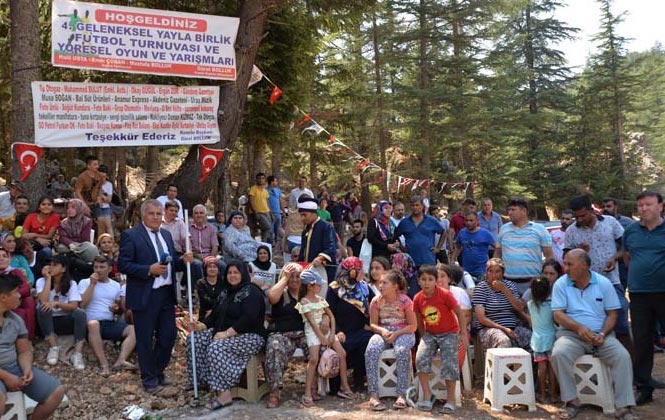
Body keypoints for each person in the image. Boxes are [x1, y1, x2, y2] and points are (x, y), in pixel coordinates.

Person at [550, 249, 636, 420]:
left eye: (569, 264)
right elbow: (557, 314)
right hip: (571, 335)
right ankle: (571, 401)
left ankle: (623, 407)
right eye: (565, 263)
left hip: (601, 335)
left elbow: (613, 314)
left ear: (584, 265)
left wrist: (603, 333)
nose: (565, 268)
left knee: (622, 356)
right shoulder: (561, 283)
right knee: (559, 353)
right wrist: (578, 328)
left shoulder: (603, 283)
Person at [118, 199, 193, 393]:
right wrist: (148, 270)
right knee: (144, 338)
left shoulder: (167, 235)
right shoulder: (131, 235)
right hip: (145, 294)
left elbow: (172, 263)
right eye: (152, 214)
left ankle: (158, 370)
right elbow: (123, 264)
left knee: (168, 336)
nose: (156, 217)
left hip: (166, 294)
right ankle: (149, 378)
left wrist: (183, 261)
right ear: (143, 215)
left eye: (159, 214)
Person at [187, 261, 266, 410]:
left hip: (250, 335)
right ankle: (206, 382)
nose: (232, 275)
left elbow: (249, 318)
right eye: (229, 272)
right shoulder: (225, 292)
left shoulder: (252, 291)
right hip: (225, 332)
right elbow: (214, 315)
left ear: (243, 274)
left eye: (236, 272)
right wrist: (200, 326)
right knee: (195, 339)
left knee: (216, 347)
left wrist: (227, 334)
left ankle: (224, 394)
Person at [564, 195, 631, 354]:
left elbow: (626, 247)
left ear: (591, 210)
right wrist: (579, 252)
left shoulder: (610, 223)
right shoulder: (571, 231)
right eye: (577, 216)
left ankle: (632, 369)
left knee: (621, 322)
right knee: (594, 325)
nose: (580, 219)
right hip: (585, 286)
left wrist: (615, 258)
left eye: (583, 215)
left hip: (612, 282)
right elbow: (566, 258)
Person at [0, 272, 65, 419]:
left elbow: (24, 351)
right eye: (16, 292)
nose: (19, 296)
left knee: (56, 392)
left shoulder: (15, 320)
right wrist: (7, 377)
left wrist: (26, 369)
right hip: (3, 373)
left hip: (13, 367)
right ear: (3, 297)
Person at [622, 190, 665, 405]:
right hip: (639, 294)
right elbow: (627, 257)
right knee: (642, 341)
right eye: (640, 206)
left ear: (660, 206)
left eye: (648, 204)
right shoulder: (631, 231)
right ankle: (644, 387)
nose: (643, 209)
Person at [413, 265, 468, 413]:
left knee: (450, 362)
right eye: (423, 279)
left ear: (436, 281)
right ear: (418, 281)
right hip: (430, 334)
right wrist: (423, 336)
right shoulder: (417, 298)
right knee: (420, 358)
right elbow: (419, 319)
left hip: (449, 333)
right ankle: (428, 395)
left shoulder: (445, 295)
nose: (426, 283)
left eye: (430, 279)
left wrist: (462, 333)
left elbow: (460, 313)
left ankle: (450, 400)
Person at [297, 269, 354, 406]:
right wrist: (322, 338)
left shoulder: (321, 300)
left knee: (342, 353)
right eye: (318, 284)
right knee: (314, 359)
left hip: (327, 331)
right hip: (313, 332)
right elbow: (311, 322)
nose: (320, 287)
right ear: (310, 286)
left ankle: (344, 386)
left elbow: (331, 316)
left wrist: (332, 331)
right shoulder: (304, 302)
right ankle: (307, 392)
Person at [365, 270, 416, 411]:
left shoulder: (406, 301)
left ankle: (402, 394)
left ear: (395, 286)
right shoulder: (376, 301)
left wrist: (397, 333)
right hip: (384, 332)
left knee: (401, 351)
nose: (381, 285)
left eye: (384, 282)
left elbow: (413, 325)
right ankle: (374, 394)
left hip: (404, 332)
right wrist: (382, 331)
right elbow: (373, 324)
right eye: (380, 282)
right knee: (371, 350)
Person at [78, 256, 136, 377]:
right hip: (90, 323)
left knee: (134, 330)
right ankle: (104, 365)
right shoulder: (85, 282)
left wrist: (116, 308)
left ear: (109, 269)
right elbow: (82, 304)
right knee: (93, 324)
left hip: (108, 322)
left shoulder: (115, 285)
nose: (98, 270)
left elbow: (119, 310)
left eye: (102, 267)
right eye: (96, 267)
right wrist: (92, 284)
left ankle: (121, 360)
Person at [327, 257, 374, 393]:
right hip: (341, 331)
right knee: (339, 345)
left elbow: (375, 305)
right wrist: (337, 330)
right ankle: (337, 384)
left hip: (359, 330)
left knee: (366, 341)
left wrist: (369, 325)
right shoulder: (334, 289)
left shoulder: (364, 287)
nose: (362, 273)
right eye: (359, 270)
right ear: (351, 272)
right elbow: (329, 313)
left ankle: (359, 379)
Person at [264, 263, 307, 408]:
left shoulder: (307, 291)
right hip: (282, 333)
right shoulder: (281, 291)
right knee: (275, 347)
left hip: (304, 333)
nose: (294, 280)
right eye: (291, 276)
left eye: (298, 276)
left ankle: (314, 386)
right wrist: (284, 278)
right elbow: (271, 297)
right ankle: (275, 392)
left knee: (317, 347)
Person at [36, 254, 87, 370]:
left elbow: (74, 306)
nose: (50, 267)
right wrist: (48, 279)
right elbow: (42, 301)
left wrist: (56, 304)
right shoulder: (41, 281)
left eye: (55, 265)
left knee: (81, 313)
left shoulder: (71, 283)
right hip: (48, 322)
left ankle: (77, 354)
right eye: (49, 265)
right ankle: (54, 347)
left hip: (65, 320)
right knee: (43, 308)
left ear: (63, 269)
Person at [494, 197, 553, 295]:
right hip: (508, 282)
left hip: (533, 282)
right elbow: (497, 254)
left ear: (524, 211)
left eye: (513, 210)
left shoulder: (539, 229)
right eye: (508, 210)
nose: (509, 213)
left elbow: (549, 256)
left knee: (532, 310)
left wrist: (546, 278)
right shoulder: (504, 229)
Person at [472, 258, 530, 349]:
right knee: (503, 341)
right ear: (486, 273)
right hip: (490, 329)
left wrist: (504, 290)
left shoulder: (510, 286)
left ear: (502, 273)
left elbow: (519, 308)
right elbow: (481, 318)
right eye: (490, 271)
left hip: (513, 327)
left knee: (530, 337)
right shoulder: (481, 288)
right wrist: (503, 329)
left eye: (497, 272)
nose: (494, 275)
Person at [527, 276, 558, 404]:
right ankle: (553, 395)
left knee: (542, 368)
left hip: (538, 340)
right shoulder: (552, 305)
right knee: (552, 368)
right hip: (552, 339)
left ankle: (543, 395)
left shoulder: (530, 305)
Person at [393, 195, 445, 270]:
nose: (415, 207)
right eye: (412, 205)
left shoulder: (431, 220)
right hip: (410, 261)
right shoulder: (404, 222)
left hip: (428, 260)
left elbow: (443, 232)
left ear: (422, 206)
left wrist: (438, 248)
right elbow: (396, 235)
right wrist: (401, 247)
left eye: (417, 205)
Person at [297, 197, 337, 282]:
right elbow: (302, 252)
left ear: (313, 213)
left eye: (304, 215)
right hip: (307, 273)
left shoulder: (326, 227)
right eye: (301, 215)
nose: (302, 218)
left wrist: (320, 258)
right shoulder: (305, 231)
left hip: (323, 273)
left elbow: (331, 248)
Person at [0, 246, 36, 341]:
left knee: (29, 300)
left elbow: (25, 288)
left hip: (14, 301)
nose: (2, 259)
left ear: (9, 259)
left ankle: (28, 340)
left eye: (4, 256)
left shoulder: (15, 272)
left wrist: (10, 295)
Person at [452, 211, 495, 280]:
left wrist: (493, 262)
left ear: (477, 221)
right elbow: (458, 247)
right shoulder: (462, 232)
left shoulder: (485, 233)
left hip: (482, 269)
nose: (468, 223)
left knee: (481, 289)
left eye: (471, 220)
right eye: (466, 220)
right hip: (466, 269)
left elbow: (497, 247)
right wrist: (452, 260)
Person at [247, 173, 274, 244]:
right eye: (259, 178)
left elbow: (267, 203)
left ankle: (263, 244)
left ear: (264, 180)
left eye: (262, 178)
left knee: (267, 228)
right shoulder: (253, 189)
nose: (261, 180)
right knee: (253, 229)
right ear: (256, 179)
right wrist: (255, 212)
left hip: (266, 212)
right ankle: (252, 244)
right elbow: (251, 201)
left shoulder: (265, 191)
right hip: (256, 212)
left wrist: (271, 214)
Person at [195, 256, 224, 321]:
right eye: (209, 267)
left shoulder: (223, 281)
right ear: (205, 269)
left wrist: (214, 311)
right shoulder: (201, 283)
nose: (212, 269)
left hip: (221, 312)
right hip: (205, 313)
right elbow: (205, 300)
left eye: (214, 267)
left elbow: (224, 298)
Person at [95, 165, 113, 238]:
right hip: (96, 207)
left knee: (108, 225)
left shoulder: (109, 185)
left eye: (104, 177)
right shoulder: (95, 184)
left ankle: (112, 241)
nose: (103, 179)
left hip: (105, 207)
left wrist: (101, 194)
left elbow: (109, 199)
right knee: (99, 226)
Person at [267, 176, 283, 247]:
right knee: (271, 229)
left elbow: (280, 201)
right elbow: (266, 203)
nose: (276, 182)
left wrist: (283, 211)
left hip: (278, 212)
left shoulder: (278, 190)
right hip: (270, 212)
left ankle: (277, 243)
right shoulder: (266, 191)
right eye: (275, 181)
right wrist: (270, 213)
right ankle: (270, 244)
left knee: (278, 229)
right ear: (271, 182)